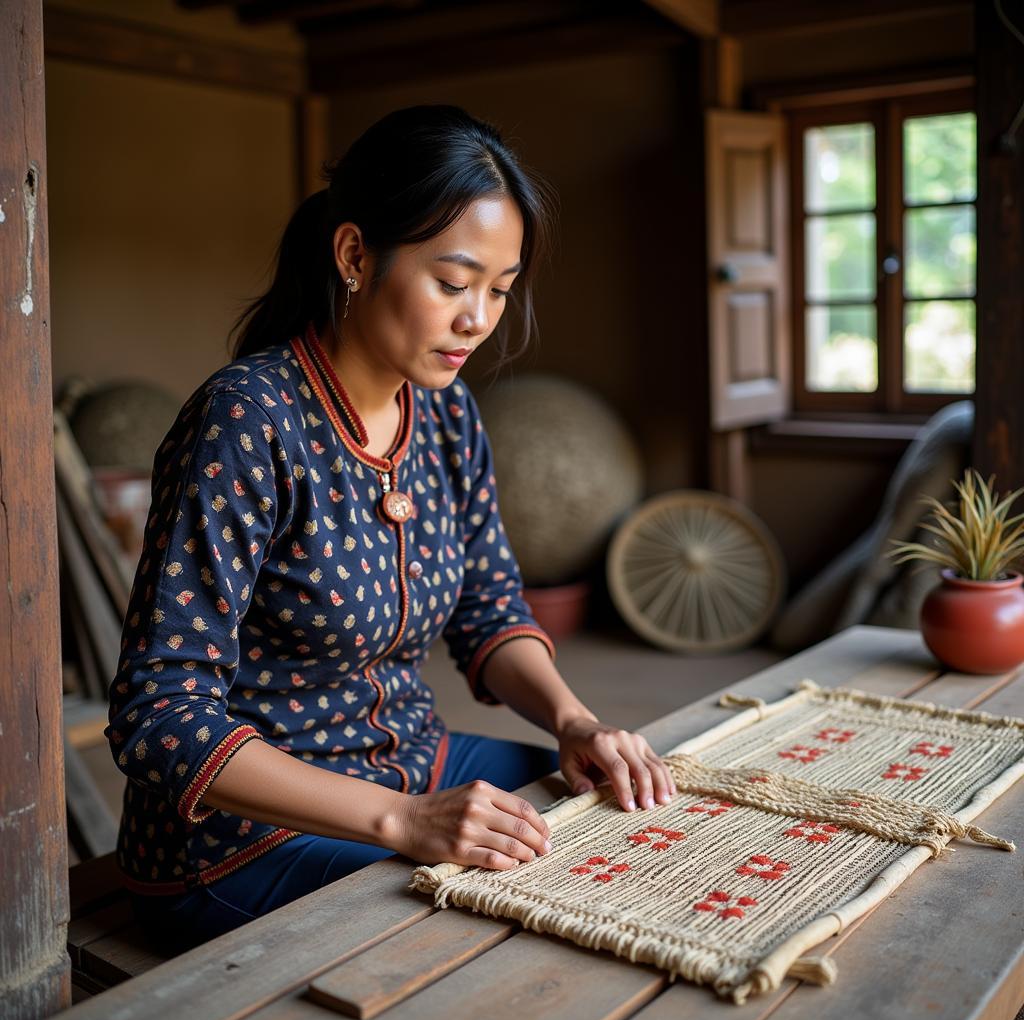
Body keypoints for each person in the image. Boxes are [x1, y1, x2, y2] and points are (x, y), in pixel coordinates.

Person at [106, 105, 677, 944]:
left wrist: (573, 721)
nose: (478, 318)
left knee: (624, 823)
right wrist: (404, 822)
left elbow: (489, 607)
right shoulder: (248, 421)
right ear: (354, 256)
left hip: (414, 759)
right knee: (501, 928)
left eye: (500, 289)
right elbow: (160, 714)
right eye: (453, 283)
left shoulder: (445, 417)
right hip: (243, 836)